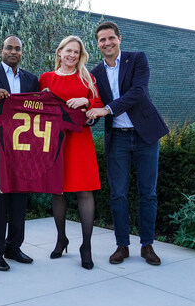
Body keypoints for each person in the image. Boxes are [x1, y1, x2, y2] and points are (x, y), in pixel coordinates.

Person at [86, 21, 169, 266]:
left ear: (119, 39)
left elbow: (138, 92)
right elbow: (94, 105)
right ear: (97, 44)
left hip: (145, 135)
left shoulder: (137, 59)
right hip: (118, 139)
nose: (107, 43)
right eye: (102, 39)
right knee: (118, 194)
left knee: (148, 193)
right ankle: (122, 245)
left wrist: (107, 109)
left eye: (111, 38)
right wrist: (88, 115)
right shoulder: (94, 74)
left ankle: (147, 245)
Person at [0, 35, 39, 271]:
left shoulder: (32, 79)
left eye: (17, 49)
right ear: (0, 50)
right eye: (9, 48)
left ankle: (14, 247)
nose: (13, 52)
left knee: (19, 202)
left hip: (22, 152)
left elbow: (38, 113)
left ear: (22, 52)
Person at [39, 35, 103, 270]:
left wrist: (85, 101)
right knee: (58, 191)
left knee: (85, 192)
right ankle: (61, 239)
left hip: (79, 141)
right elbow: (36, 108)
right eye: (68, 50)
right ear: (59, 52)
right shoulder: (45, 78)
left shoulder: (87, 77)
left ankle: (86, 246)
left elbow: (99, 105)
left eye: (76, 52)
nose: (72, 55)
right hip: (54, 141)